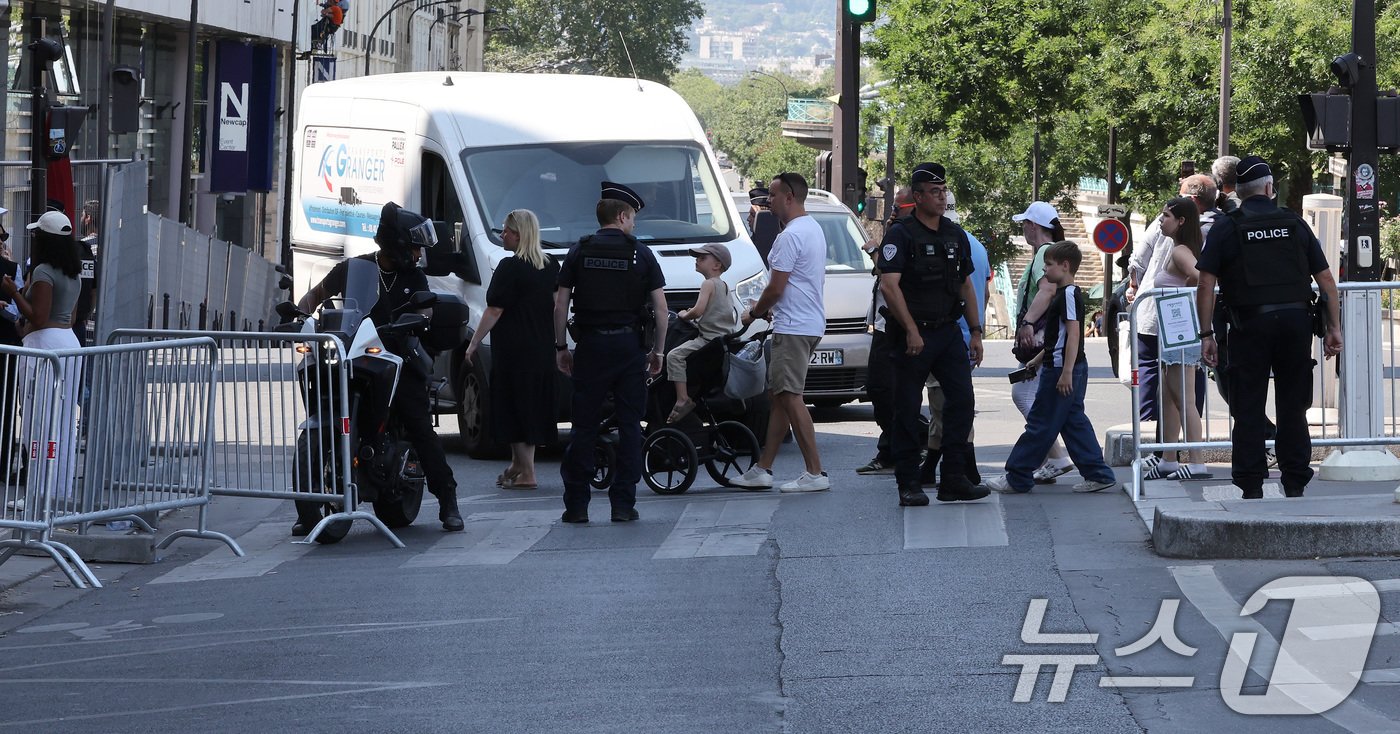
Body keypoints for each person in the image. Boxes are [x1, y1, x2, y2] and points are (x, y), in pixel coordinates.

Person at [298, 202, 463, 532]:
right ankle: (309, 511)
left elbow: (426, 309)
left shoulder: (414, 276)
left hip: (397, 357)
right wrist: (300, 315)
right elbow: (314, 296)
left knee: (419, 424)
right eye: (414, 247)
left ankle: (448, 500)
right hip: (353, 355)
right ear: (397, 244)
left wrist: (418, 319)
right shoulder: (354, 268)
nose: (418, 254)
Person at [1197, 156, 1342, 499]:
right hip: (1295, 325)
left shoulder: (1226, 227)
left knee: (1248, 405)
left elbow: (1205, 284)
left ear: (1239, 192)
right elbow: (1326, 280)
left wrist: (1206, 334)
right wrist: (1334, 327)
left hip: (1248, 325)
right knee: (1293, 405)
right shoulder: (1293, 223)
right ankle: (1294, 480)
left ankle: (1250, 483)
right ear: (1268, 188)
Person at [874, 162, 988, 507]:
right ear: (919, 196)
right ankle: (909, 483)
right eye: (934, 192)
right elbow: (889, 286)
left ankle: (953, 479)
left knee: (962, 403)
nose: (941, 197)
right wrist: (910, 330)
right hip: (913, 334)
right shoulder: (902, 234)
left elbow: (965, 284)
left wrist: (976, 332)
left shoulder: (954, 234)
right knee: (907, 410)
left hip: (948, 332)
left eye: (944, 191)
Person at [555, 182, 668, 523]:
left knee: (584, 426)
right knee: (630, 425)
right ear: (621, 217)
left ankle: (577, 506)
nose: (633, 224)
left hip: (591, 347)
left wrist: (561, 346)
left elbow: (561, 303)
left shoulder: (579, 250)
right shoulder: (641, 253)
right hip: (628, 348)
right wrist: (659, 352)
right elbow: (661, 309)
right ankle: (622, 504)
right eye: (632, 218)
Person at [982, 242, 1120, 494]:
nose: (1044, 269)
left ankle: (1017, 476)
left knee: (1040, 423)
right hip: (1063, 366)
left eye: (1048, 264)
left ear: (1065, 266)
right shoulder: (1066, 293)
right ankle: (1098, 474)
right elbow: (1060, 337)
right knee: (1073, 422)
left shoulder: (1067, 295)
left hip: (1060, 369)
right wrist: (1038, 360)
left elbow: (1074, 335)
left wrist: (1065, 372)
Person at [731, 172, 830, 492]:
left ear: (789, 197)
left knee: (789, 396)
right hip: (807, 322)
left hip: (793, 327)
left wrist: (753, 313)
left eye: (773, 195)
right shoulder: (812, 228)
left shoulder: (789, 236)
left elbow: (775, 288)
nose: (768, 201)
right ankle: (763, 468)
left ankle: (815, 472)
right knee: (779, 398)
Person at [465, 209, 559, 490]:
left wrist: (473, 343)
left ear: (519, 235)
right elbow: (557, 306)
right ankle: (518, 465)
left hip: (514, 348)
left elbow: (494, 310)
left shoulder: (509, 267)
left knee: (513, 405)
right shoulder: (550, 265)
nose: (502, 235)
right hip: (542, 346)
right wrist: (560, 343)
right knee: (532, 404)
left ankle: (527, 472)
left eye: (506, 230)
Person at [2, 211, 83, 504]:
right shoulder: (73, 273)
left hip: (44, 346)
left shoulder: (43, 272)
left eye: (36, 235)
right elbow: (70, 317)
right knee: (62, 422)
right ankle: (58, 491)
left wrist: (13, 292)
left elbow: (38, 315)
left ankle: (38, 492)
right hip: (68, 342)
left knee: (38, 420)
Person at [1144, 196, 1209, 481]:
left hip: (1180, 330)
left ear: (1181, 221)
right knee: (1169, 396)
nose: (1161, 220)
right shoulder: (1177, 248)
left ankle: (1196, 462)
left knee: (1183, 398)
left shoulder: (1182, 251)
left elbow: (1201, 278)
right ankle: (1168, 458)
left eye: (1166, 215)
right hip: (1173, 331)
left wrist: (1187, 295)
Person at [1009, 201, 1073, 484]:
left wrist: (1027, 322)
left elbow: (1046, 291)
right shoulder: (1050, 253)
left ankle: (1056, 457)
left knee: (1024, 395)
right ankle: (1052, 458)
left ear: (1033, 226)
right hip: (1046, 338)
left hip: (1039, 338)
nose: (1023, 229)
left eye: (1024, 224)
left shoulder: (1044, 254)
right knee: (1037, 398)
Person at [856, 185, 918, 476]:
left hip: (897, 325)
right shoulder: (896, 234)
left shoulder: (910, 237)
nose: (891, 213)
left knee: (889, 390)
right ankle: (891, 447)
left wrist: (874, 252)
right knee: (880, 390)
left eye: (897, 208)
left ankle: (909, 443)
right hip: (883, 324)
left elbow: (890, 275)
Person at [666, 242, 737, 423]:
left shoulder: (708, 284)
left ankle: (682, 398)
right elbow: (716, 312)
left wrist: (684, 314)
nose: (697, 260)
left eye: (702, 258)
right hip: (722, 340)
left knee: (674, 356)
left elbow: (698, 311)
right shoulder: (724, 285)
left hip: (708, 339)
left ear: (717, 265)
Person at [73, 199, 99, 346]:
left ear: (88, 218)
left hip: (86, 321)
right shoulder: (112, 246)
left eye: (82, 215)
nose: (81, 219)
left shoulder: (83, 249)